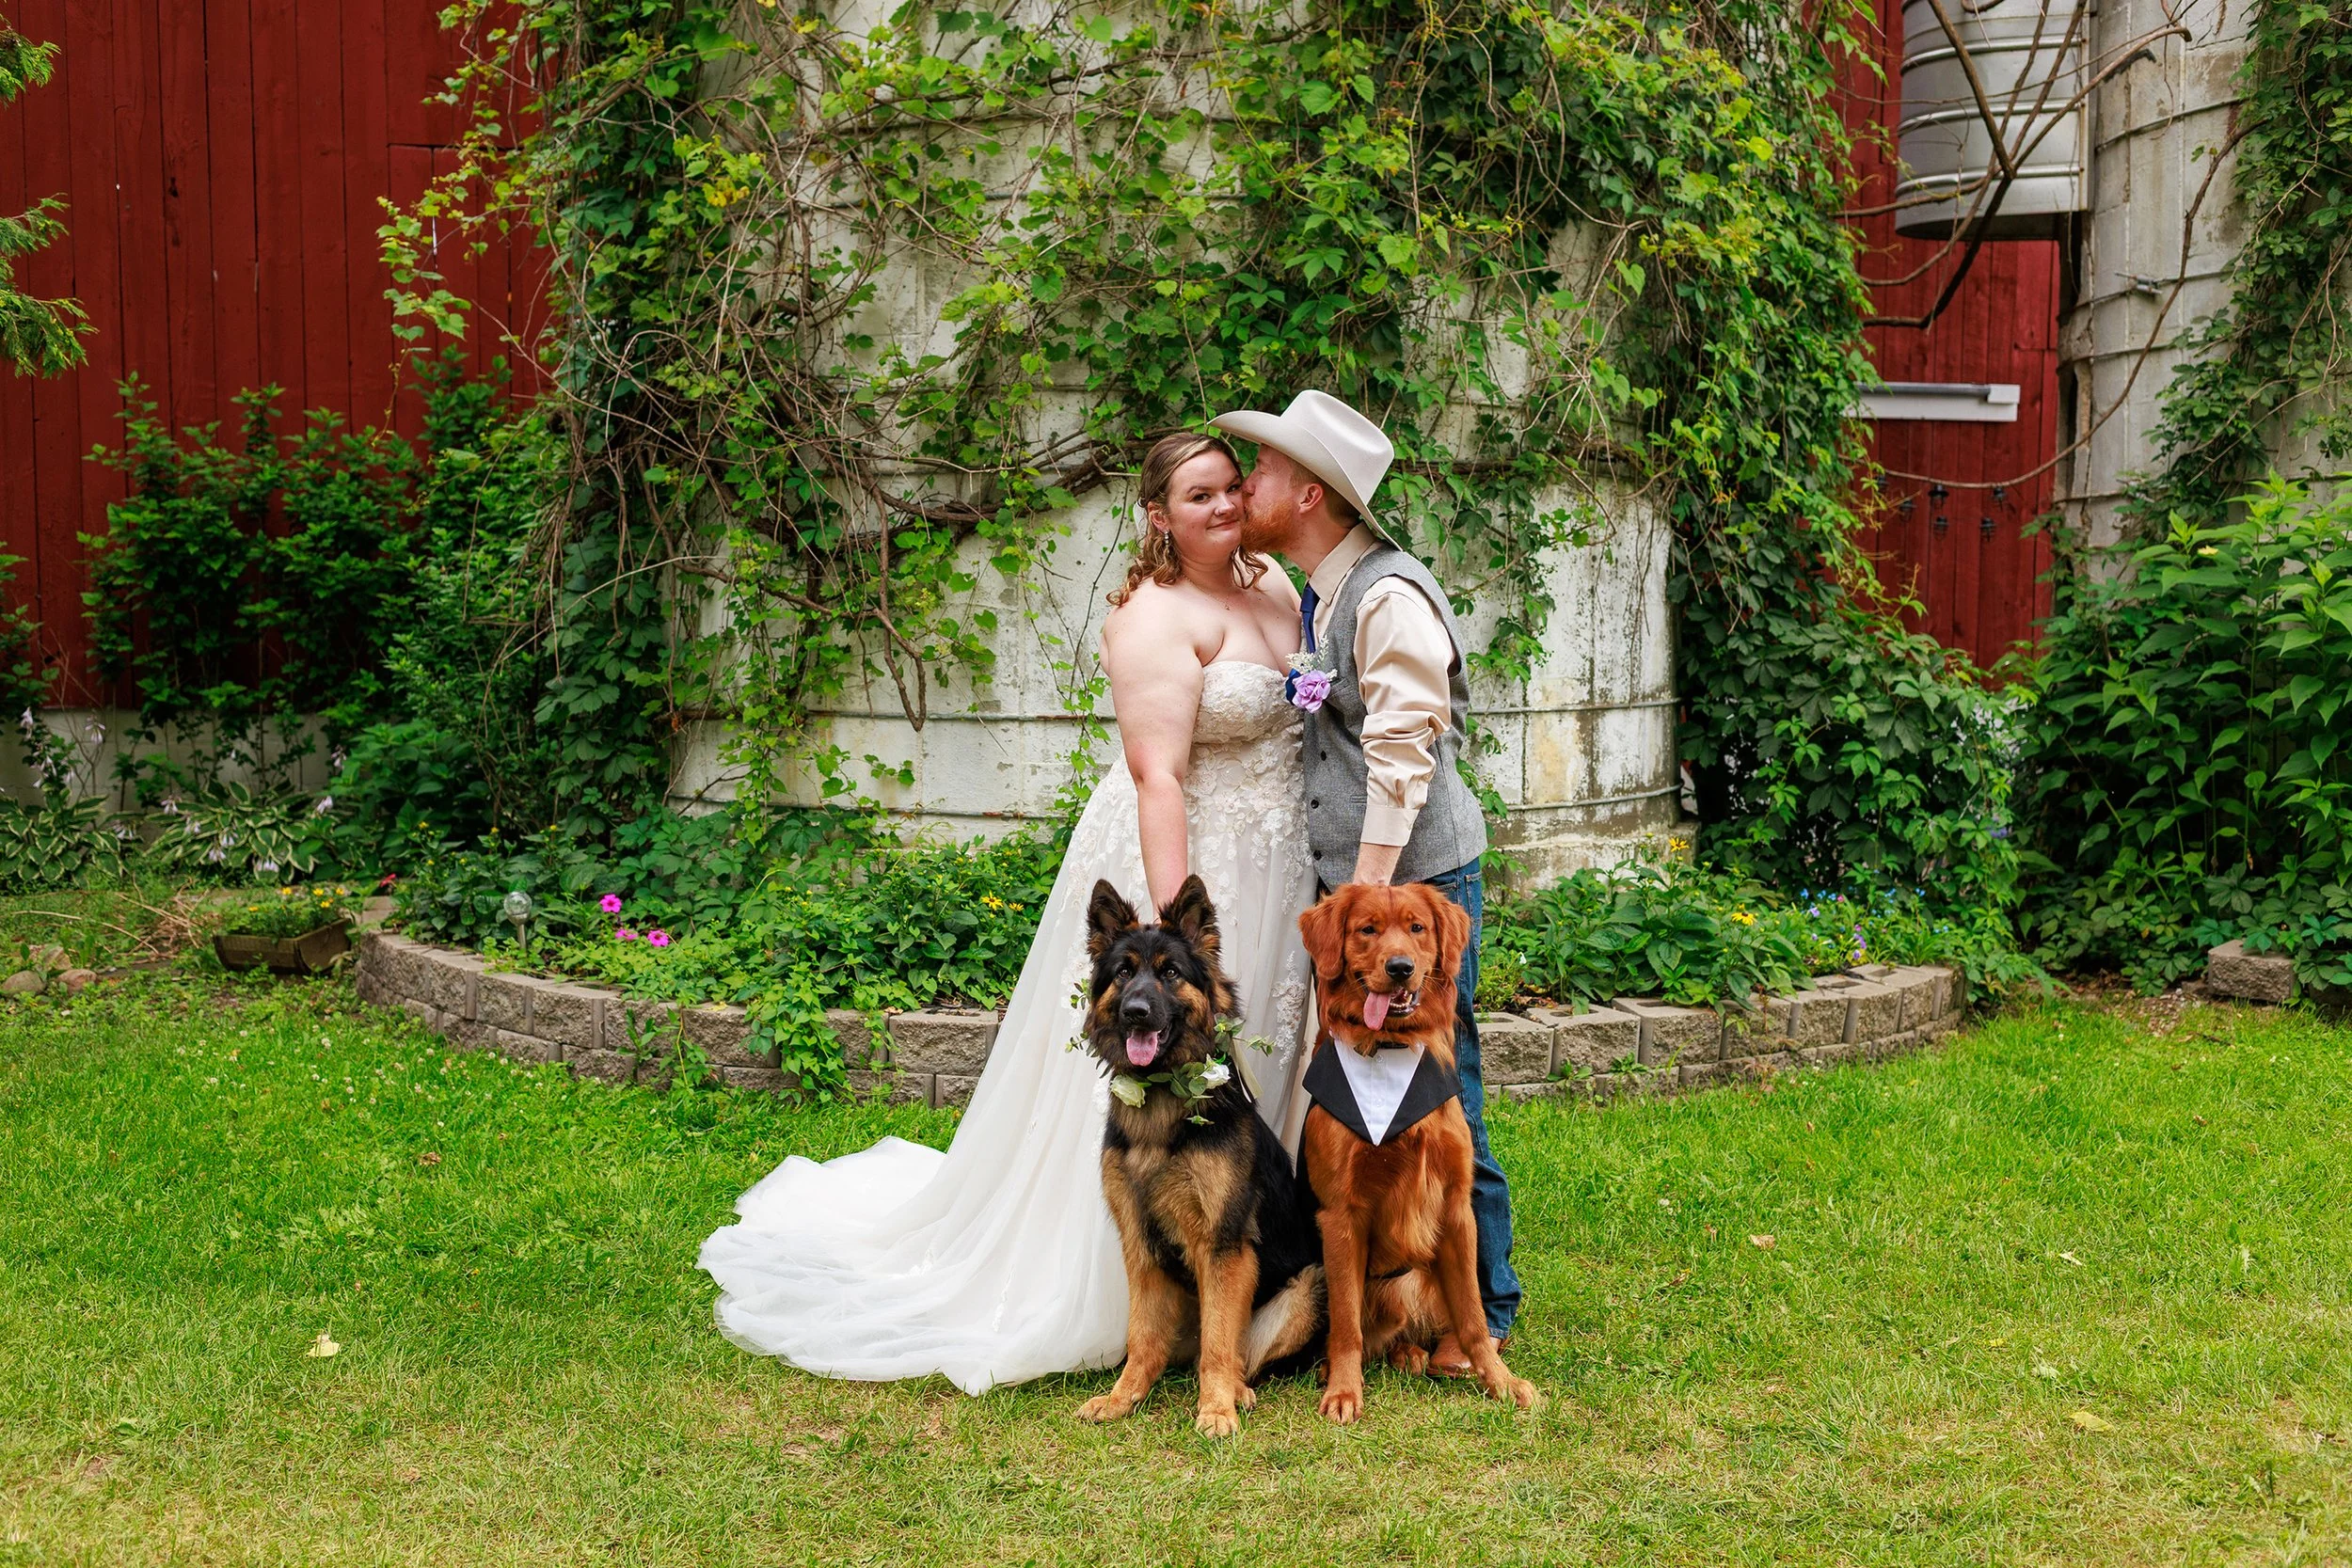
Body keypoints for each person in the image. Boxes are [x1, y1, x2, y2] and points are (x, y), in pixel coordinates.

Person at [698, 434, 1319, 1394]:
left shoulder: (1277, 583)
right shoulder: (1153, 617)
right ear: (1157, 514)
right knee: (1179, 1055)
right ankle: (1126, 1292)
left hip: (1281, 855)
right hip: (1189, 859)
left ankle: (1247, 1253)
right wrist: (1164, 942)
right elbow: (1159, 775)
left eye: (1233, 487)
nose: (1225, 506)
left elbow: (1309, 702)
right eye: (1199, 495)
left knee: (1263, 1061)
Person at [1209, 388, 1522, 1373]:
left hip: (1413, 888)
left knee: (1443, 1084)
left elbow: (1402, 758)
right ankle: (1394, 1291)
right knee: (1365, 1091)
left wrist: (1367, 911)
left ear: (1307, 492)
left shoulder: (1387, 596)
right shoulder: (1325, 589)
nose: (1243, 482)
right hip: (1372, 890)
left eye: (1259, 471)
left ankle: (1490, 1314)